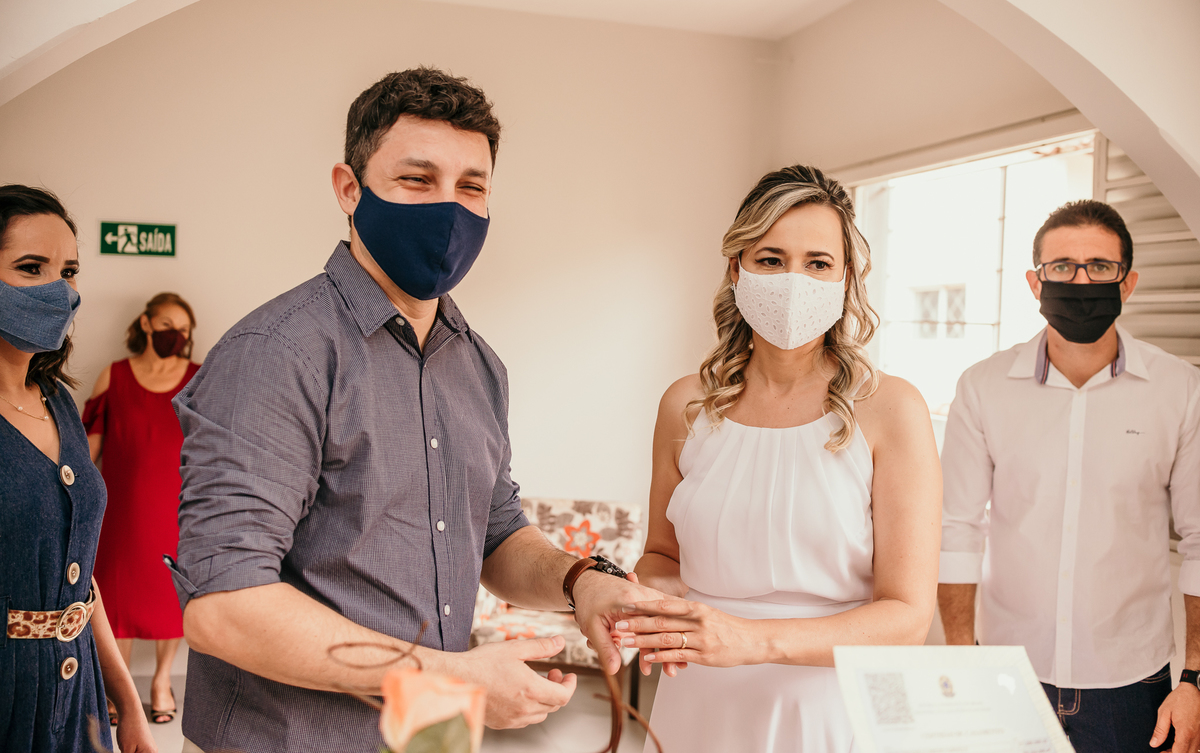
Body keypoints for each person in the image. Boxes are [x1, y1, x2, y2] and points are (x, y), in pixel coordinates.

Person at [169, 67, 665, 753]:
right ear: (349, 188)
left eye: (471, 187)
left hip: (431, 734)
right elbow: (224, 608)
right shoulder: (278, 353)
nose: (448, 208)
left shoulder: (478, 364)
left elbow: (495, 533)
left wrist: (582, 583)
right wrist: (453, 677)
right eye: (417, 179)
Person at [620, 165, 942, 751]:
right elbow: (662, 555)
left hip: (830, 712)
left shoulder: (892, 409)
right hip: (698, 700)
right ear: (736, 269)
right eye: (771, 259)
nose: (795, 280)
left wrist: (752, 640)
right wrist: (650, 605)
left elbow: (907, 617)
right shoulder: (685, 405)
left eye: (818, 263)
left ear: (846, 278)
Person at [937, 199, 1200, 753]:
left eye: (1100, 266)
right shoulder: (983, 387)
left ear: (1128, 283)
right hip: (1007, 671)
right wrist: (960, 656)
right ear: (1035, 282)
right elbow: (956, 527)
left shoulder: (1180, 389)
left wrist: (1195, 679)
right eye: (1062, 267)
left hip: (1132, 684)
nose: (1081, 281)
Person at [0, 184, 156, 753]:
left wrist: (128, 703)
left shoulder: (59, 402)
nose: (58, 290)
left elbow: (80, 580)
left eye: (68, 272)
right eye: (31, 268)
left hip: (80, 698)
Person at [84, 292, 200, 724]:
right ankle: (120, 686)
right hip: (120, 509)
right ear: (147, 324)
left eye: (184, 329)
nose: (177, 335)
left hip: (178, 506)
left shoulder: (199, 378)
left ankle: (162, 681)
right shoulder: (113, 376)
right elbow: (89, 448)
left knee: (169, 595)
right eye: (168, 325)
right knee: (117, 597)